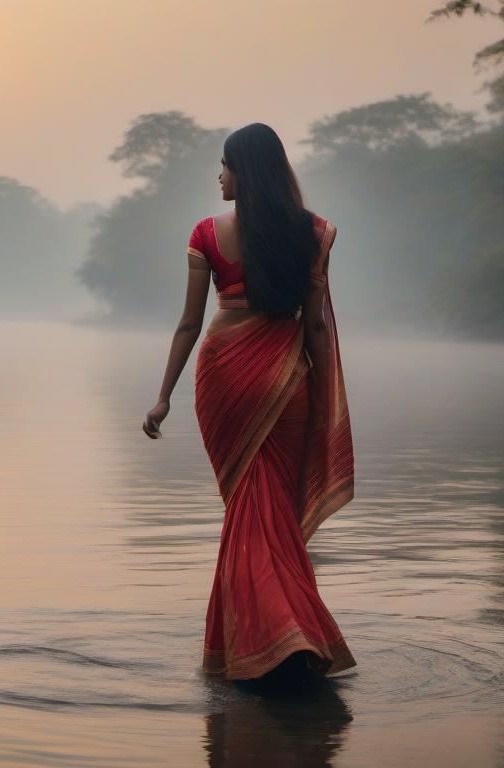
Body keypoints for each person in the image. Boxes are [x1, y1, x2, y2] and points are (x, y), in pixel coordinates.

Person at [140, 122, 357, 682]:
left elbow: (189, 324)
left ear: (246, 172)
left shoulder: (207, 234)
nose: (220, 175)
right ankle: (292, 637)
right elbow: (317, 331)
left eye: (226, 165)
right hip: (288, 384)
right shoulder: (313, 233)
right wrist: (325, 398)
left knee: (247, 508)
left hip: (224, 381)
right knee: (272, 511)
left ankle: (274, 642)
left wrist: (162, 398)